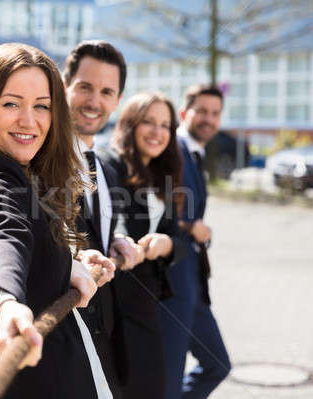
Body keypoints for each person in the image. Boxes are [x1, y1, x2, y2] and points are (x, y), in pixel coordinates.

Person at [0, 43, 116, 399]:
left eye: (42, 106)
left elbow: (30, 247)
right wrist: (7, 304)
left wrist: (68, 263)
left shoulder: (24, 178)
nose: (29, 120)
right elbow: (1, 237)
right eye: (11, 103)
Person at [63, 40, 145, 398]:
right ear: (66, 86)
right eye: (85, 87)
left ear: (117, 99)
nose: (94, 101)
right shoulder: (40, 158)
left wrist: (120, 239)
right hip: (63, 329)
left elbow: (108, 220)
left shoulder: (107, 163)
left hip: (107, 324)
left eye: (106, 91)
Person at [101, 92, 187, 399]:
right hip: (113, 298)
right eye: (148, 122)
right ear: (130, 124)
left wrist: (164, 244)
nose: (157, 131)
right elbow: (117, 218)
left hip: (145, 298)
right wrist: (125, 242)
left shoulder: (163, 174)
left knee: (149, 386)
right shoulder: (110, 164)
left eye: (165, 125)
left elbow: (178, 238)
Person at [158, 84, 231, 399]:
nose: (209, 119)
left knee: (217, 363)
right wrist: (194, 227)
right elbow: (161, 210)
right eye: (202, 111)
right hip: (172, 286)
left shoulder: (193, 153)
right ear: (185, 113)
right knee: (169, 381)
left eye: (215, 114)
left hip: (193, 286)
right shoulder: (171, 150)